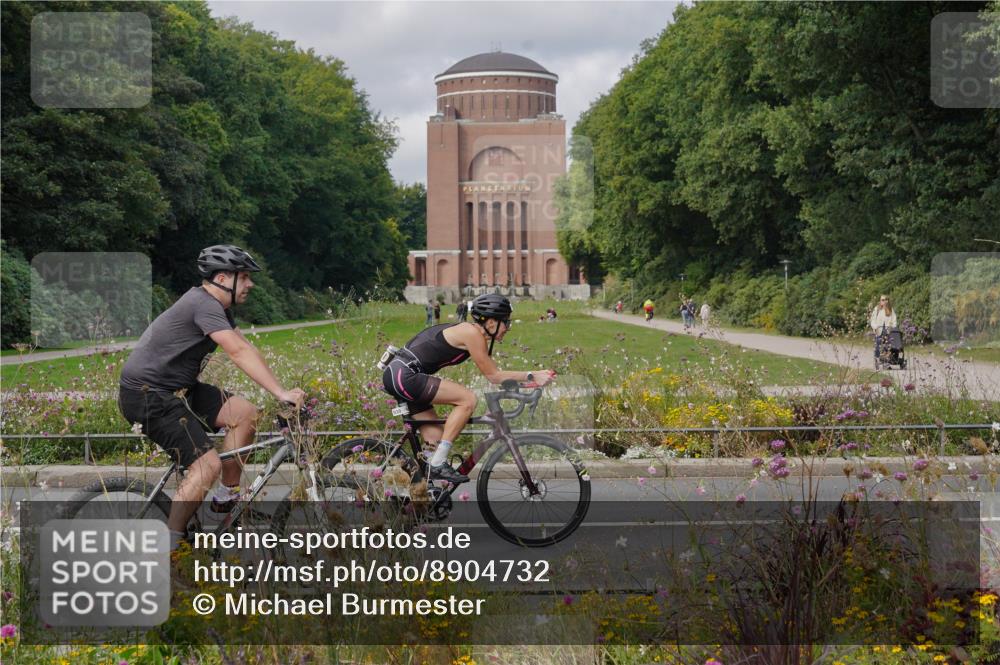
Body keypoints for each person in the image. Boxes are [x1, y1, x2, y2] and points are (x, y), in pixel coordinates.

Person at [118, 245, 306, 550]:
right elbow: (237, 352)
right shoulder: (203, 304)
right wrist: (281, 392)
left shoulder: (216, 307)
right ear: (222, 278)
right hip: (148, 394)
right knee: (206, 466)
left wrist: (280, 390)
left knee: (245, 413)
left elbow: (245, 347)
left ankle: (225, 498)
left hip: (179, 389)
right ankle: (172, 550)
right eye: (244, 277)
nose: (250, 284)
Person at [381, 294, 556, 484]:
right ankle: (437, 464)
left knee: (436, 443)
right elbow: (494, 375)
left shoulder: (471, 333)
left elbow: (494, 375)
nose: (508, 327)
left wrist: (526, 383)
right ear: (490, 322)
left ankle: (421, 494)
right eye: (505, 322)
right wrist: (532, 375)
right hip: (405, 375)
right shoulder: (471, 333)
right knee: (467, 399)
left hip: (401, 374)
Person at [870, 294, 898, 362]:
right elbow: (872, 320)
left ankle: (887, 359)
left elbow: (894, 320)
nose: (884, 301)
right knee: (878, 344)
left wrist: (893, 326)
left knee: (888, 345)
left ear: (887, 301)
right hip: (879, 330)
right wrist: (875, 327)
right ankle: (877, 358)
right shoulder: (877, 309)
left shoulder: (891, 309)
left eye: (886, 300)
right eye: (882, 300)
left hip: (888, 331)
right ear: (880, 301)